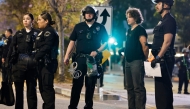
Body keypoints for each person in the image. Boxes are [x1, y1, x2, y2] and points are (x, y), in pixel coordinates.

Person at [64, 5, 108, 109]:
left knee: (90, 85)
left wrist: (97, 51)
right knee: (76, 85)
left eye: (91, 13)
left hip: (92, 61)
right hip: (79, 59)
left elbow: (106, 42)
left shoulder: (100, 27)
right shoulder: (78, 26)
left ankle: (88, 106)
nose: (88, 14)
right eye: (86, 13)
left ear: (94, 15)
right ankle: (72, 106)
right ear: (84, 15)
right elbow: (72, 42)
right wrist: (67, 56)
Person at [7, 13, 39, 109]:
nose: (25, 20)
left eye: (28, 19)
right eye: (24, 19)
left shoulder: (37, 33)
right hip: (19, 66)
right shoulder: (19, 33)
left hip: (32, 66)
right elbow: (11, 48)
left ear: (32, 21)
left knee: (31, 93)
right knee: (19, 92)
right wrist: (7, 62)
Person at [151, 0, 176, 109]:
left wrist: (158, 57)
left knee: (164, 91)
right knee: (159, 91)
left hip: (165, 60)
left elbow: (167, 42)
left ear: (165, 5)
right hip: (159, 59)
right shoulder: (162, 21)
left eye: (158, 3)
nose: (156, 6)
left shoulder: (169, 21)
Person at [125, 7, 149, 109]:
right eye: (127, 17)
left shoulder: (140, 29)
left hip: (137, 61)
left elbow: (145, 46)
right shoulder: (129, 30)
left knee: (138, 88)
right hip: (127, 61)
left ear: (135, 18)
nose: (128, 19)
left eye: (130, 17)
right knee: (129, 88)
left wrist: (145, 58)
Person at [35, 11, 59, 109]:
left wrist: (34, 58)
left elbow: (46, 47)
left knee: (47, 89)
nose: (37, 22)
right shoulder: (42, 32)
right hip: (41, 65)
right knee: (42, 88)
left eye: (40, 20)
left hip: (48, 64)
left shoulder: (50, 32)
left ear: (46, 21)